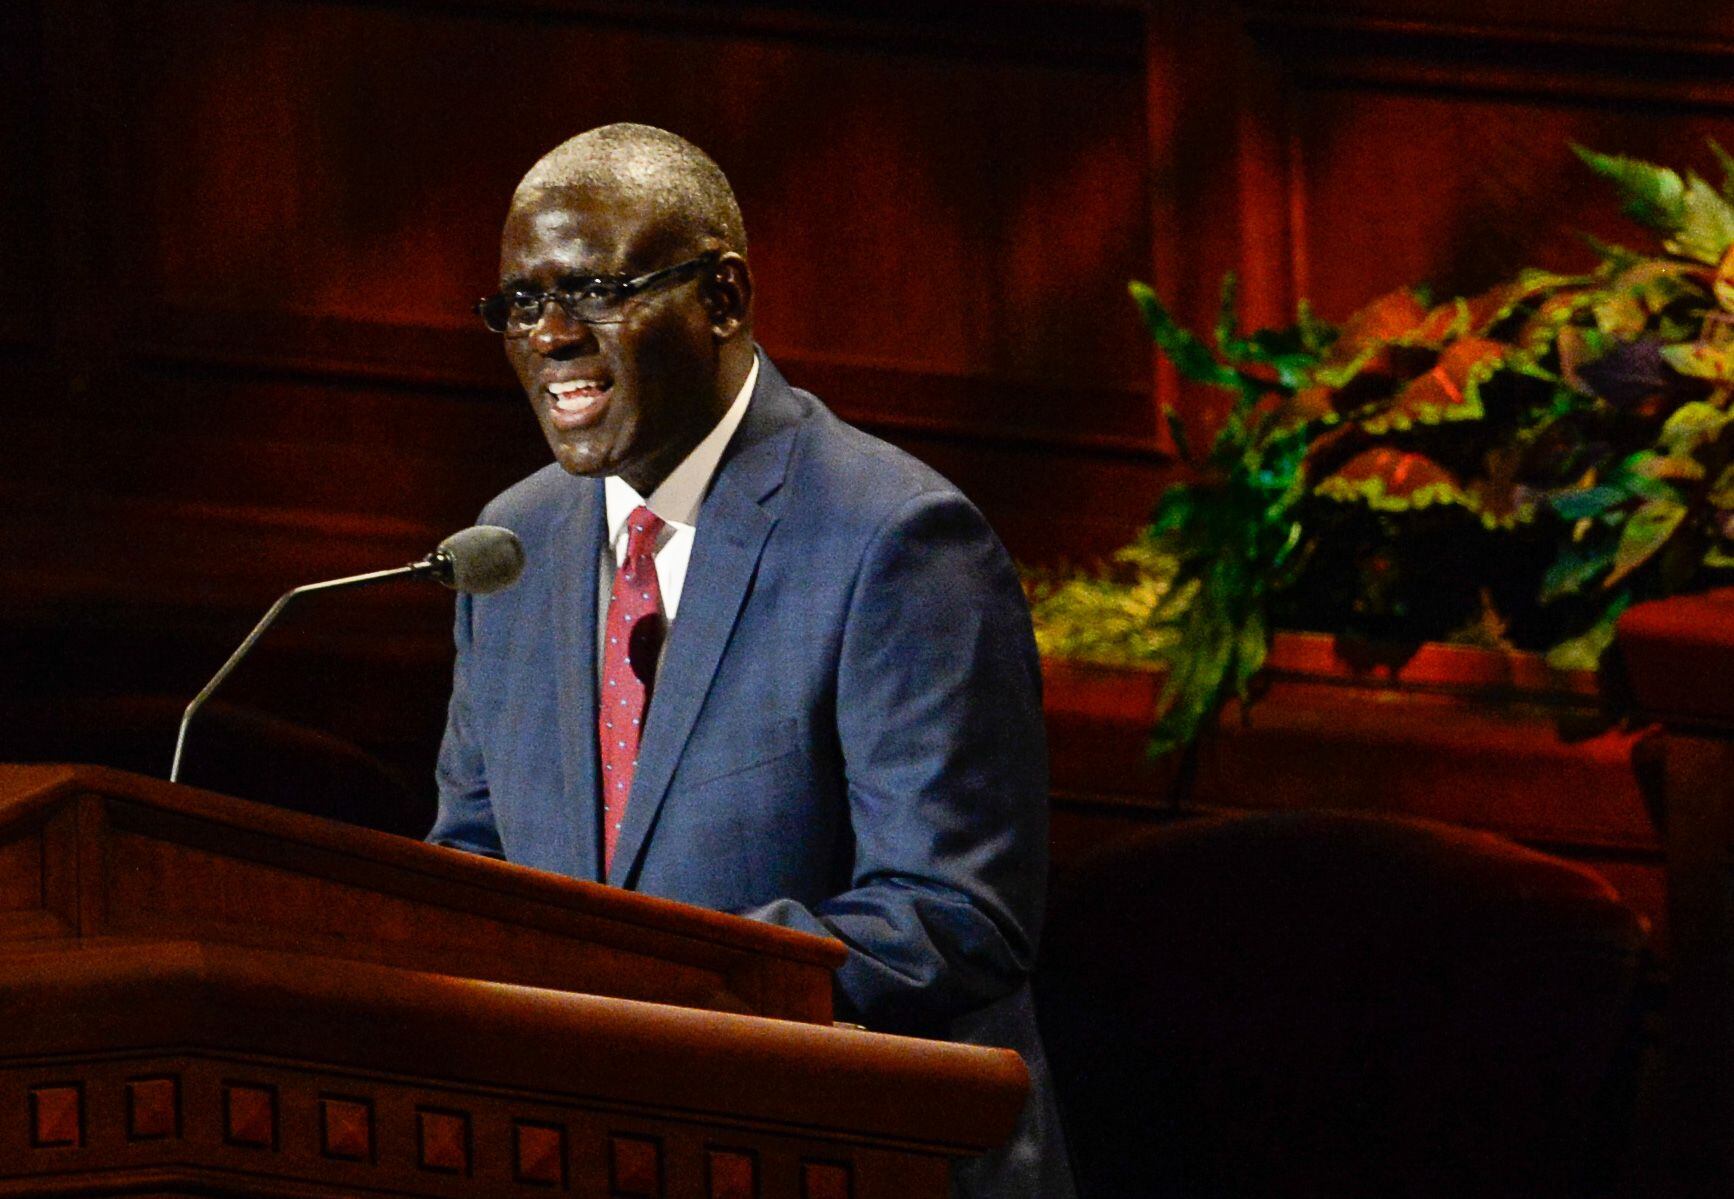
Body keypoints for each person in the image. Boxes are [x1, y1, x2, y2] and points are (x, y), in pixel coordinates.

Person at [429, 123, 1073, 1198]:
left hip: (850, 1159)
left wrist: (667, 987)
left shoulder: (896, 540)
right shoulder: (513, 546)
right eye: (520, 303)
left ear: (723, 297)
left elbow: (956, 914)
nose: (549, 336)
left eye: (592, 291)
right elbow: (472, 863)